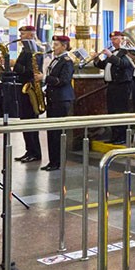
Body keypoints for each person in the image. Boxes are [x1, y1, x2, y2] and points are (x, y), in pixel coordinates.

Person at [92, 30, 134, 144]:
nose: (113, 41)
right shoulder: (114, 52)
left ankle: (122, 137)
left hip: (122, 85)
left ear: (122, 39)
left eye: (115, 39)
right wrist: (96, 59)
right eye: (112, 39)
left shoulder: (127, 52)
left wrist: (110, 56)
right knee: (112, 111)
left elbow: (124, 64)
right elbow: (104, 65)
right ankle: (114, 136)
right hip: (112, 85)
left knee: (120, 111)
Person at [41, 35, 75, 172]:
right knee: (51, 131)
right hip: (53, 98)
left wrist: (44, 78)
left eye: (56, 45)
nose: (53, 47)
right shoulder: (56, 60)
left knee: (57, 133)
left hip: (61, 99)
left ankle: (57, 161)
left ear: (64, 46)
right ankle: (52, 160)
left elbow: (64, 80)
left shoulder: (67, 61)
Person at [12, 25, 44, 161]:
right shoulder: (25, 49)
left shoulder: (34, 50)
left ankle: (35, 152)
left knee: (30, 122)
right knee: (25, 121)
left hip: (30, 87)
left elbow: (31, 71)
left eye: (24, 34)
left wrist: (15, 64)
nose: (21, 36)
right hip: (23, 87)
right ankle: (29, 150)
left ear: (31, 35)